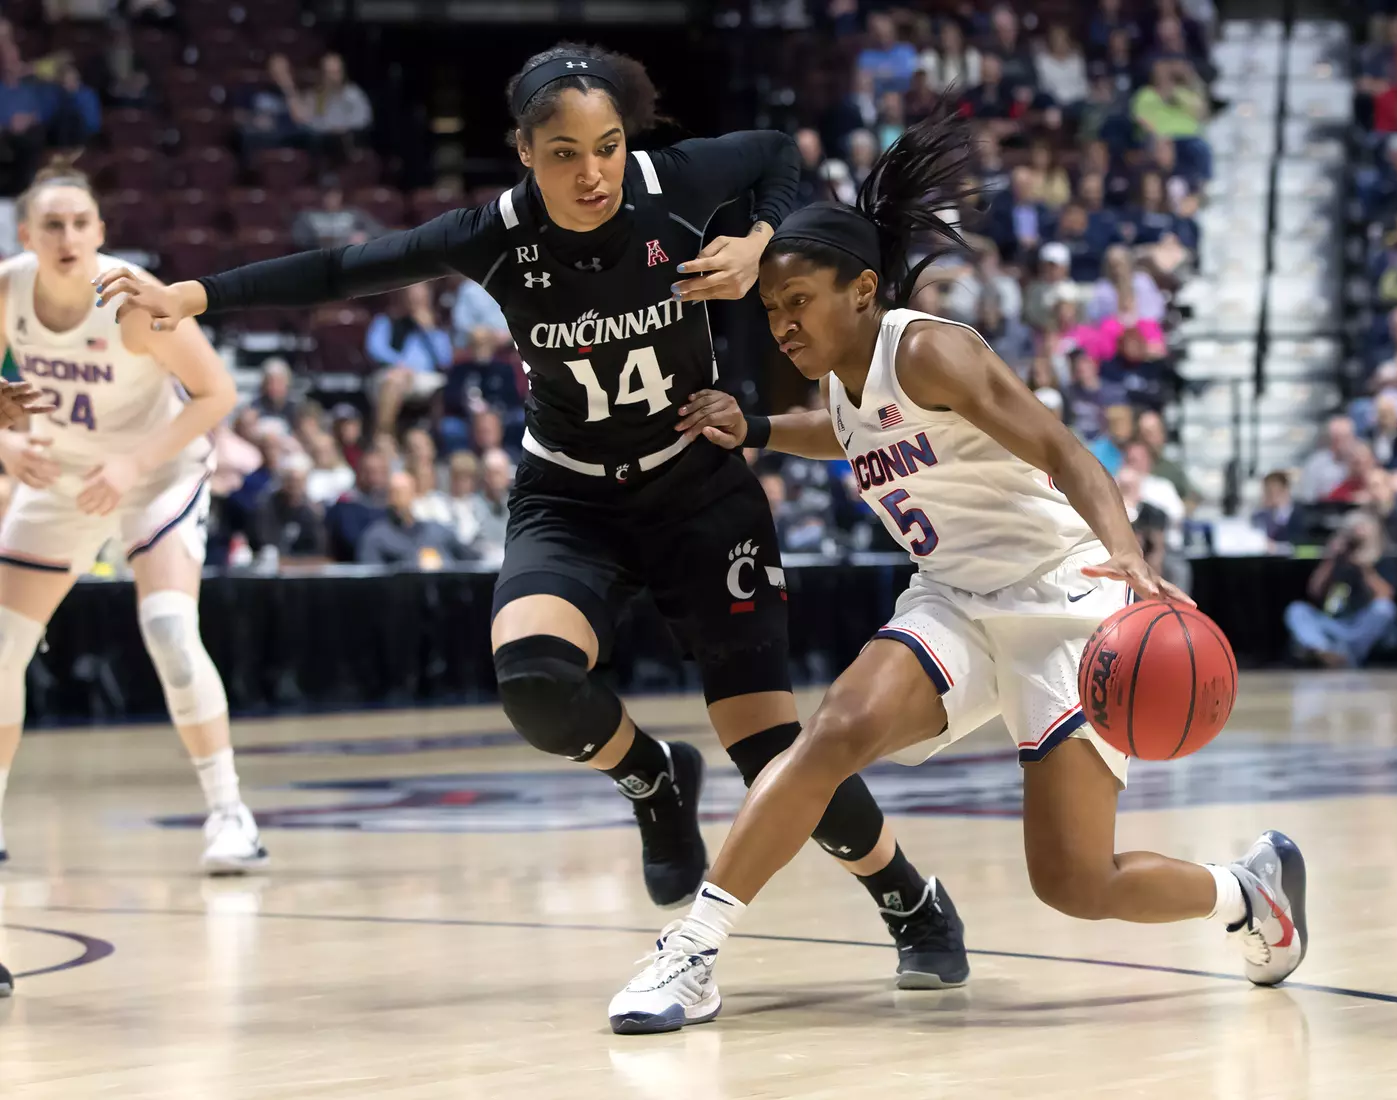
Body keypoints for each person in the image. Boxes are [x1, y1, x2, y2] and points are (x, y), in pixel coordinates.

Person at [95, 44, 967, 982]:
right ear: (523, 151)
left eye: (606, 146)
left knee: (769, 750)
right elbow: (347, 267)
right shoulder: (495, 233)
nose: (591, 172)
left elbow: (775, 153)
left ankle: (907, 896)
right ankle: (654, 777)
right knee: (536, 684)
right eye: (563, 152)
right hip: (571, 495)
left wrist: (760, 239)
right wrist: (191, 294)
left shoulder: (671, 183)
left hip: (697, 491)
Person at [610, 110, 1308, 1034]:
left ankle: (1246, 895)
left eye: (798, 304)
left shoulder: (928, 348)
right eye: (772, 311)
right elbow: (854, 434)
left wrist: (1130, 555)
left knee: (1073, 882)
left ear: (862, 289)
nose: (781, 325)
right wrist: (764, 429)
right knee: (827, 737)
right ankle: (693, 952)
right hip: (955, 600)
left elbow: (1063, 449)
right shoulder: (838, 372)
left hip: (1062, 601)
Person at [0, 160, 268, 874]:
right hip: (60, 476)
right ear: (26, 233)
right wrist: (6, 440)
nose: (68, 236)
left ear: (101, 232)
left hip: (156, 472)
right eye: (52, 224)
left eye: (81, 223)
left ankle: (230, 814)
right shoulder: (7, 287)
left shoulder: (129, 300)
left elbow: (215, 395)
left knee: (171, 629)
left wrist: (128, 465)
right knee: (0, 651)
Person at [1283, 512, 1397, 668]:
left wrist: (1364, 566)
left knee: (1385, 609)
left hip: (1363, 626)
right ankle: (1326, 651)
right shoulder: (1337, 559)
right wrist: (1331, 558)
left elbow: (1386, 595)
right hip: (1336, 623)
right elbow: (1314, 591)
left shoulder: (1383, 558)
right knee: (1296, 610)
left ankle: (1342, 655)